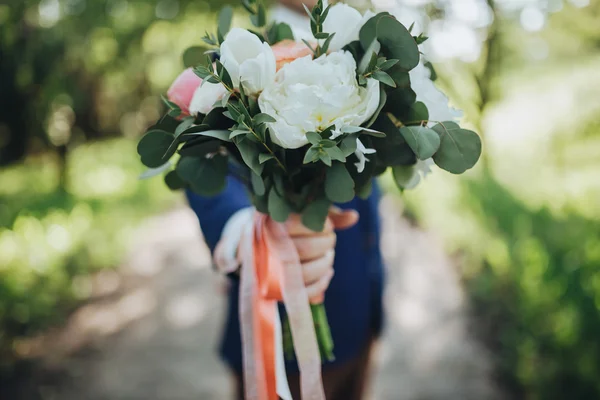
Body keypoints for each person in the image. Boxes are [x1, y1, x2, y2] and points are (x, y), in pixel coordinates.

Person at [186, 1, 384, 399]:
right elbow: (204, 163)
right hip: (273, 334)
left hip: (360, 310)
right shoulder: (238, 58)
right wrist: (251, 236)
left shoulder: (364, 53)